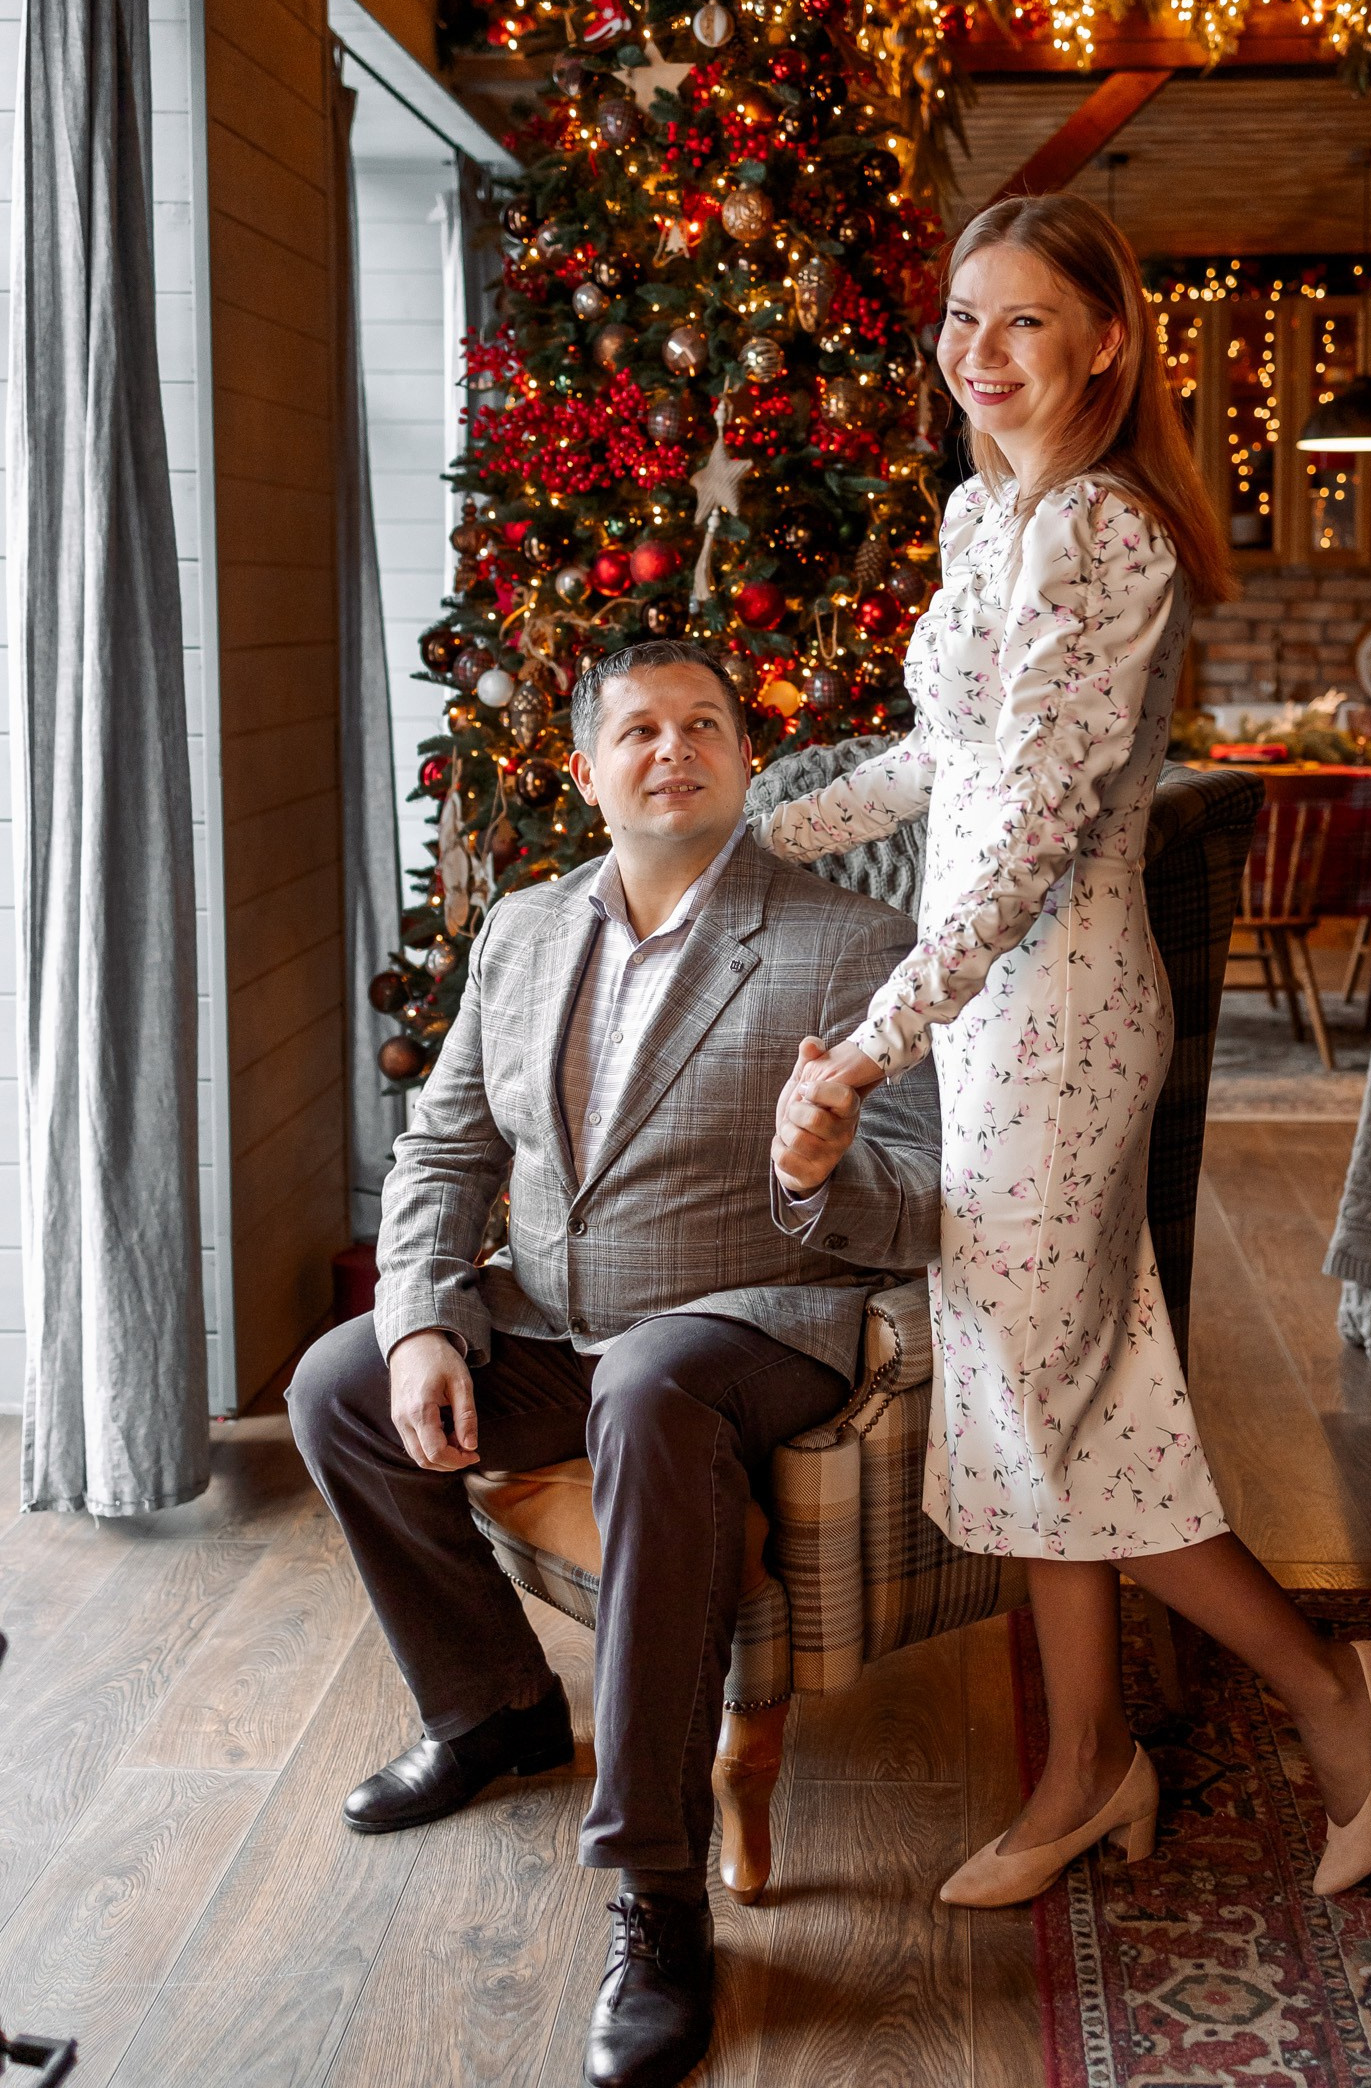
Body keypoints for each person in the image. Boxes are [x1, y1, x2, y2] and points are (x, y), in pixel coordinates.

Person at [753, 194, 1371, 1910]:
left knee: (1046, 1410)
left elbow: (1033, 832)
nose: (978, 353)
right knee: (1054, 1399)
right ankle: (1091, 1761)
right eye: (962, 318)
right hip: (993, 1027)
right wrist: (749, 838)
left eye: (1025, 322)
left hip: (1059, 1022)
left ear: (1107, 344)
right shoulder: (986, 513)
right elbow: (944, 761)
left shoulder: (1103, 533)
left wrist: (873, 1042)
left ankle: (1330, 1693)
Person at [288, 641, 941, 2088]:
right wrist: (420, 1315)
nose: (674, 748)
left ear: (744, 758)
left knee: (648, 1387)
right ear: (587, 771)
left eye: (705, 723)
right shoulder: (524, 930)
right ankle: (495, 1710)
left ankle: (657, 1892)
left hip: (750, 1321)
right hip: (550, 1319)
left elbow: (924, 1195)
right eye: (639, 729)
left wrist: (822, 1170)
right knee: (338, 1387)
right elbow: (446, 1146)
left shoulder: (848, 944)